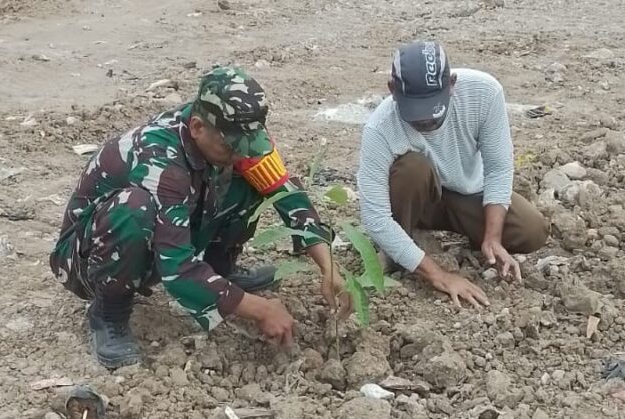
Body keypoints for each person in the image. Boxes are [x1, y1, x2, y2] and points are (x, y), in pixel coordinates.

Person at [50, 65, 350, 369]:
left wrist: (328, 265)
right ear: (196, 128)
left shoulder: (239, 132)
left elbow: (285, 193)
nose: (240, 153)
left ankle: (220, 271)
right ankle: (109, 313)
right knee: (134, 208)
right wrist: (260, 309)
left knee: (249, 179)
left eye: (247, 144)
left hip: (161, 232)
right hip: (87, 257)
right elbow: (177, 266)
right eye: (231, 147)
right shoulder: (159, 158)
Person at [357, 40, 549, 309]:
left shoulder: (484, 93)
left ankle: (478, 240)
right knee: (413, 168)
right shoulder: (380, 128)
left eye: (433, 109)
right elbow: (375, 217)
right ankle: (403, 242)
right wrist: (440, 275)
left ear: (452, 83)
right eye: (416, 111)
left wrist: (492, 236)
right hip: (418, 199)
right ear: (392, 90)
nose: (426, 121)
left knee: (532, 230)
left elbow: (498, 167)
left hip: (467, 195)